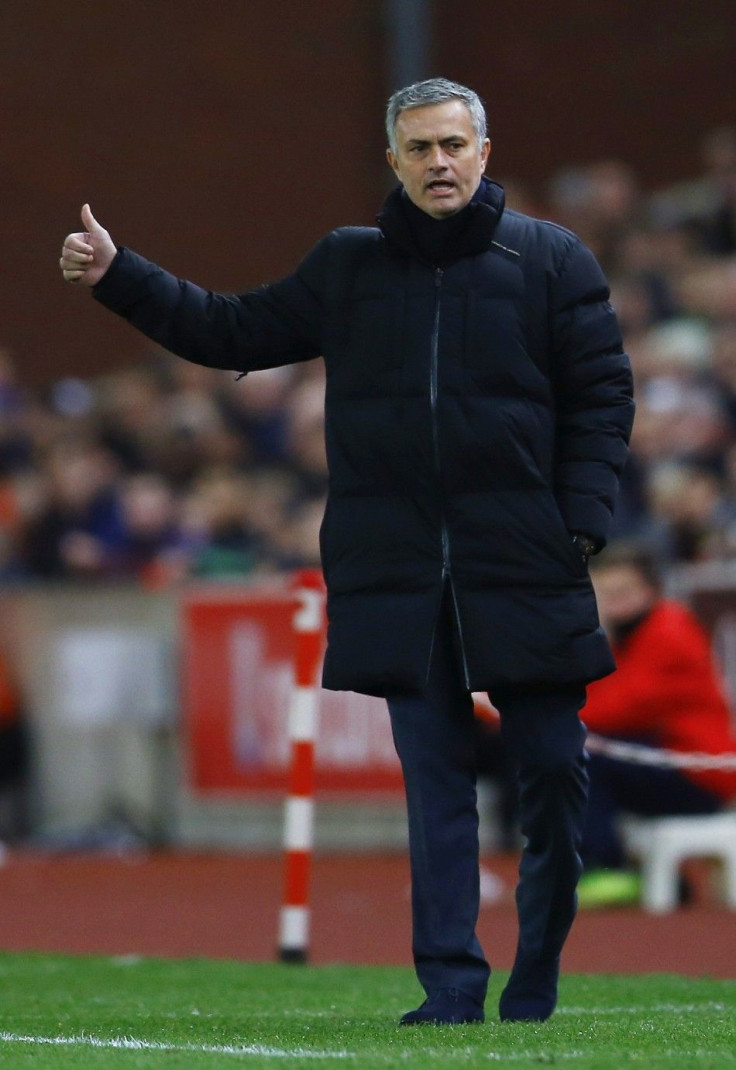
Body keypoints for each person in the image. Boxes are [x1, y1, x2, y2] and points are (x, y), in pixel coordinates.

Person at [60, 78, 634, 1025]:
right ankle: (450, 989)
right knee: (436, 791)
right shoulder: (348, 266)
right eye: (420, 149)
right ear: (394, 161)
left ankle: (537, 974)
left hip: (529, 561)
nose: (439, 163)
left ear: (484, 152)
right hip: (398, 570)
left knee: (553, 780)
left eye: (454, 145)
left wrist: (578, 523)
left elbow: (604, 396)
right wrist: (123, 274)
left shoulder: (550, 259)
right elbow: (229, 331)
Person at [578, 543, 736, 906]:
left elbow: (622, 707)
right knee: (583, 752)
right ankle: (660, 879)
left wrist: (544, 716)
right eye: (604, 594)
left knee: (583, 759)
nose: (612, 604)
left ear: (650, 591)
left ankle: (606, 868)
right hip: (670, 757)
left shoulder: (669, 632)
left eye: (622, 593)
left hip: (699, 771)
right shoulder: (634, 633)